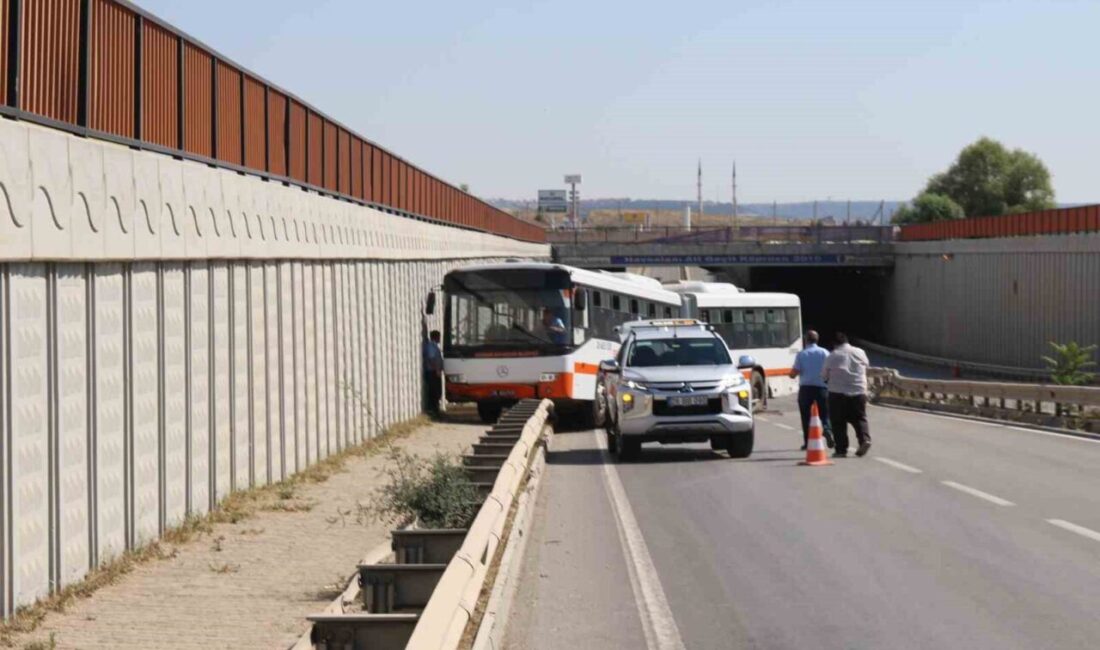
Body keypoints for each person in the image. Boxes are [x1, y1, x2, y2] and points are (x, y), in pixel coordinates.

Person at [821, 332, 872, 458]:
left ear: (834, 344)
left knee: (838, 422)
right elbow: (866, 365)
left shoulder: (832, 356)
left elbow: (824, 375)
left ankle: (841, 449)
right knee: (860, 418)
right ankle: (864, 440)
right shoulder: (860, 352)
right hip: (859, 391)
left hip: (837, 393)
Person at [789, 330, 834, 451]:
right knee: (825, 413)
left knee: (806, 416)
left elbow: (794, 373)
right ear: (817, 340)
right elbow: (830, 369)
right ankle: (827, 429)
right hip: (822, 388)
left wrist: (791, 374)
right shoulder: (825, 352)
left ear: (806, 340)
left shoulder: (802, 354)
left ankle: (808, 442)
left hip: (806, 389)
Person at [422, 329, 444, 416]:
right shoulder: (431, 346)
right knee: (434, 391)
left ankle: (436, 409)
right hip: (432, 372)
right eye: (439, 337)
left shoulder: (434, 346)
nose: (440, 339)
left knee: (437, 391)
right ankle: (433, 410)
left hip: (435, 372)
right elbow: (431, 359)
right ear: (436, 337)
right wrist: (437, 369)